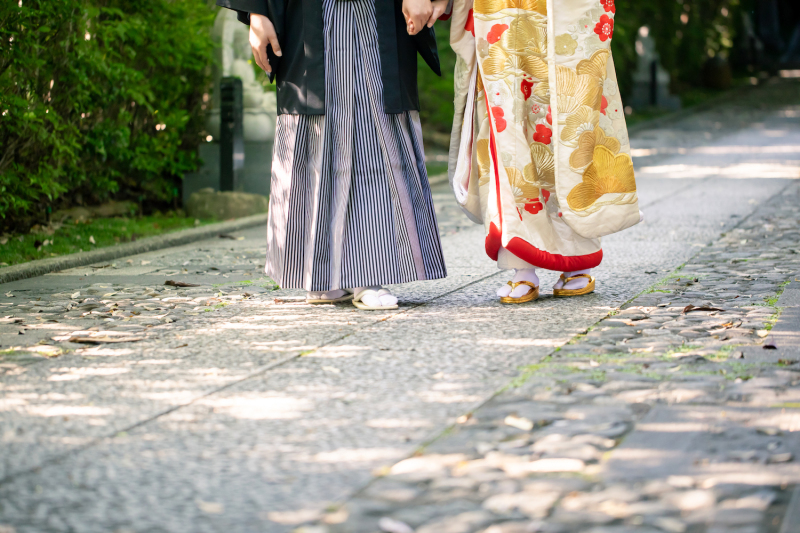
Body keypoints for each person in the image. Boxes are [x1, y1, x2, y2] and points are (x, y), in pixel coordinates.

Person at [216, 0, 451, 310]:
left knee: (371, 126)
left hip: (373, 13)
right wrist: (257, 12)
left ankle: (368, 271)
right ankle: (324, 275)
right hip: (306, 13)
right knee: (314, 128)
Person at [447, 0, 641, 303]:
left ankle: (577, 260)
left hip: (562, 10)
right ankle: (520, 268)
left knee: (567, 125)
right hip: (499, 10)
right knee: (506, 128)